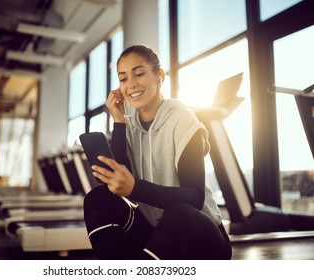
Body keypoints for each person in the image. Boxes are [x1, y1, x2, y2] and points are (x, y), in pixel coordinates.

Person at [83, 45, 232, 260]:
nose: (131, 84)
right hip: (154, 231)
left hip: (199, 238)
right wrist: (118, 121)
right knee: (97, 198)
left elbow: (195, 197)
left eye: (139, 73)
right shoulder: (129, 124)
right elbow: (123, 179)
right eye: (123, 78)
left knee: (178, 213)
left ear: (159, 76)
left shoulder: (183, 119)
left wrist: (135, 187)